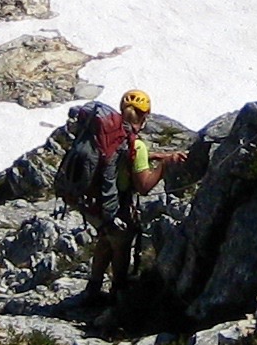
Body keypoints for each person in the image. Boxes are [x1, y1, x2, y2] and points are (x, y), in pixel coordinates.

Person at [76, 88, 183, 304]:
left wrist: (152, 155)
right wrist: (164, 164)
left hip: (96, 201)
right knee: (121, 245)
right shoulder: (138, 145)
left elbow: (121, 157)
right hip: (117, 204)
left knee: (105, 239)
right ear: (144, 116)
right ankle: (118, 295)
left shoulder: (112, 136)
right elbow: (144, 186)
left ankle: (93, 289)